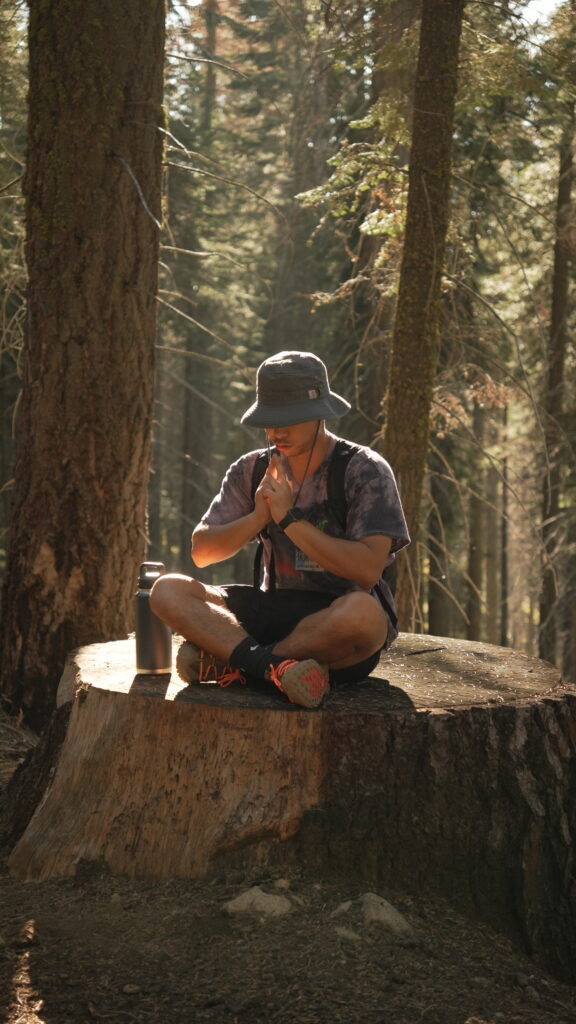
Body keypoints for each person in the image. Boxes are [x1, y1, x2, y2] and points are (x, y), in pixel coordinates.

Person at [150, 351, 409, 709]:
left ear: (320, 413)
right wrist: (259, 517)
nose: (276, 430)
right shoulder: (252, 469)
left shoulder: (364, 470)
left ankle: (237, 662)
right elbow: (202, 551)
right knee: (167, 590)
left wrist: (289, 519)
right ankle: (273, 668)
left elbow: (367, 569)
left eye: (289, 418)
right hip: (271, 611)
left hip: (336, 624)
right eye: (269, 419)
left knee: (364, 616)